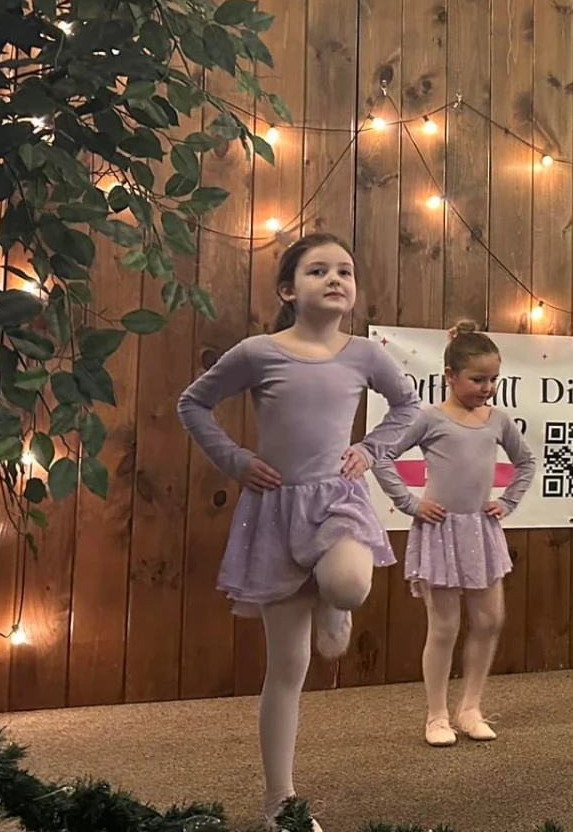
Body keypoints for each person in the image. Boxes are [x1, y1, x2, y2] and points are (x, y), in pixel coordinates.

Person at [177, 232, 419, 831]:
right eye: (318, 271)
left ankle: (334, 605)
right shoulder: (259, 351)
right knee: (287, 666)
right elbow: (192, 404)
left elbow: (409, 407)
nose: (335, 279)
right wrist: (235, 460)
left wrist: (370, 446)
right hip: (276, 510)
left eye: (345, 271)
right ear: (289, 289)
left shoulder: (363, 355)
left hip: (337, 499)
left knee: (348, 588)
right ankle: (279, 802)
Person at [373, 322, 535, 747]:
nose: (487, 388)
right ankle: (436, 715)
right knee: (443, 627)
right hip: (441, 529)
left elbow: (526, 462)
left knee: (490, 619)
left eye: (493, 379)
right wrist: (411, 504)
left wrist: (508, 502)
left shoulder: (498, 420)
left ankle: (470, 707)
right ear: (450, 376)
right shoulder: (430, 418)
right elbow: (383, 457)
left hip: (481, 531)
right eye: (477, 379)